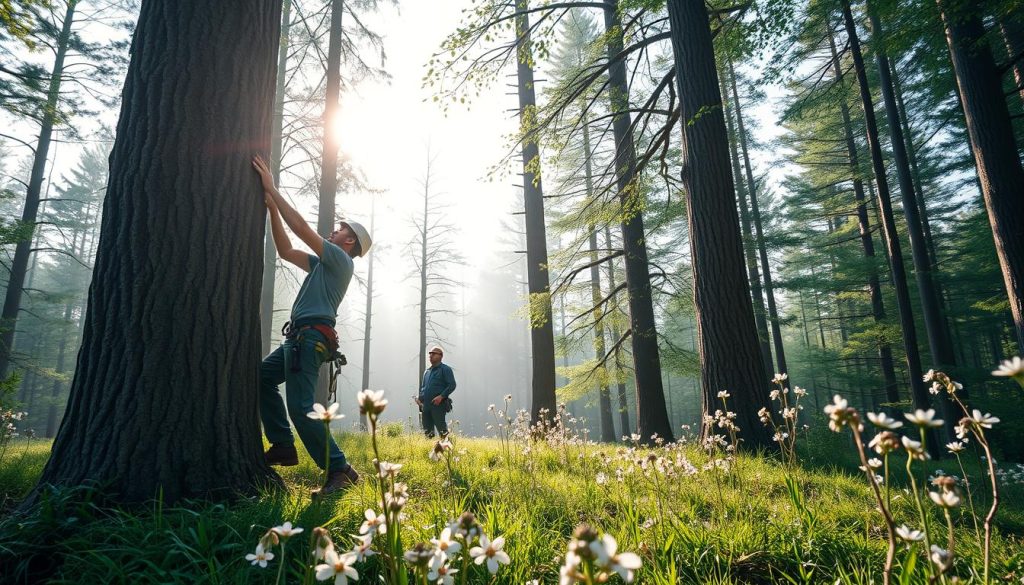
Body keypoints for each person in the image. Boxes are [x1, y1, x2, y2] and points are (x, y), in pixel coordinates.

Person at [252, 154, 372, 497]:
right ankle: (284, 447)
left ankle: (340, 468)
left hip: (311, 340)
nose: (334, 232)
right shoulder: (324, 264)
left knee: (302, 408)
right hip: (298, 339)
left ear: (349, 242)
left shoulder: (340, 260)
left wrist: (272, 190)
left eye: (340, 230)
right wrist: (273, 210)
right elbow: (287, 249)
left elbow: (302, 229)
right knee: (262, 378)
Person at [416, 345, 456, 438]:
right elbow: (423, 388)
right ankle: (430, 449)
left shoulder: (445, 369)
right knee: (427, 431)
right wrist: (419, 399)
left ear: (441, 356)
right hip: (426, 406)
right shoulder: (427, 372)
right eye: (430, 354)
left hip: (438, 405)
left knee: (442, 429)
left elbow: (452, 385)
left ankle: (447, 449)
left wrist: (441, 396)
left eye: (433, 354)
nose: (431, 355)